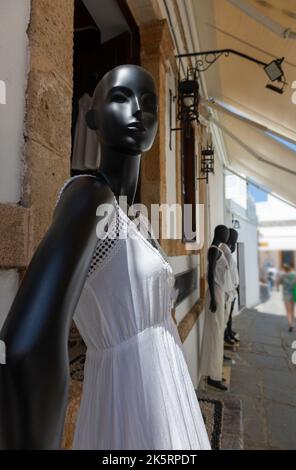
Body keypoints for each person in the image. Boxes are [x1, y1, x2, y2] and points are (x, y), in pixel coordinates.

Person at [0, 65, 210, 450]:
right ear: (92, 117)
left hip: (167, 397)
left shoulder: (135, 217)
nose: (137, 112)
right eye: (120, 98)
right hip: (126, 404)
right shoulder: (88, 196)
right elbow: (26, 346)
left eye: (148, 103)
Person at [199, 225, 232, 392]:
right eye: (225, 232)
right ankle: (213, 376)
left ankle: (214, 373)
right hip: (215, 295)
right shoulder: (214, 250)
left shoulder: (217, 250)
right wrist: (212, 297)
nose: (227, 234)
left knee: (217, 334)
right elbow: (210, 275)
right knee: (215, 334)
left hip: (217, 293)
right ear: (220, 233)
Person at [277, 264, 296, 332]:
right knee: (292, 310)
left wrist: (277, 287)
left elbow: (277, 283)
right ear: (290, 269)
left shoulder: (282, 276)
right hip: (293, 294)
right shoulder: (294, 275)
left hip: (286, 295)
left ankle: (290, 324)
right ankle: (293, 323)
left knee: (288, 311)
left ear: (284, 269)